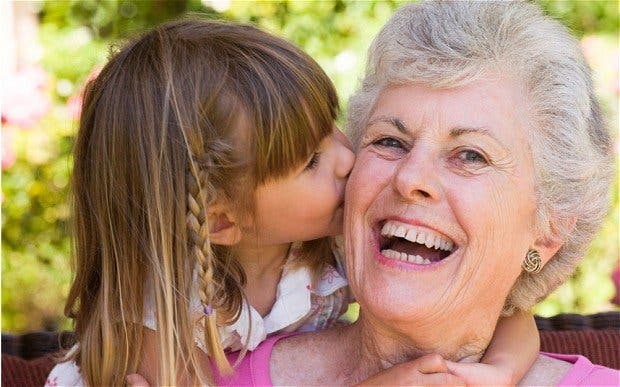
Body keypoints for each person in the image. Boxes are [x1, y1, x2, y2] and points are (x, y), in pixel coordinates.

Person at [128, 1, 617, 385]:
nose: (408, 179)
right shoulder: (186, 370)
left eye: (471, 155)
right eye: (389, 141)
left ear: (548, 231)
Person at [47, 17, 539, 387]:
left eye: (332, 126)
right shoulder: (165, 317)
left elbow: (507, 309)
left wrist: (499, 371)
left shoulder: (326, 246)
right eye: (310, 162)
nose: (347, 157)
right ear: (221, 221)